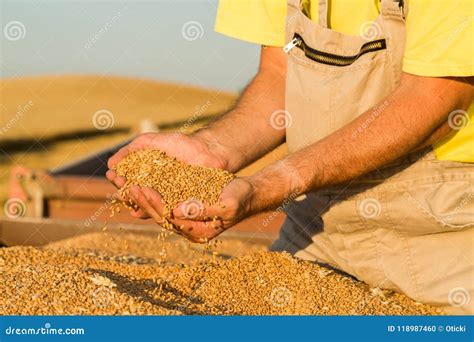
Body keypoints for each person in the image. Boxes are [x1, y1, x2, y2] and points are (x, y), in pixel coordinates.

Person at [107, 0, 473, 314]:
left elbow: (435, 98)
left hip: (439, 230)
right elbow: (280, 75)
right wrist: (211, 149)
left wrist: (271, 184)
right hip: (318, 226)